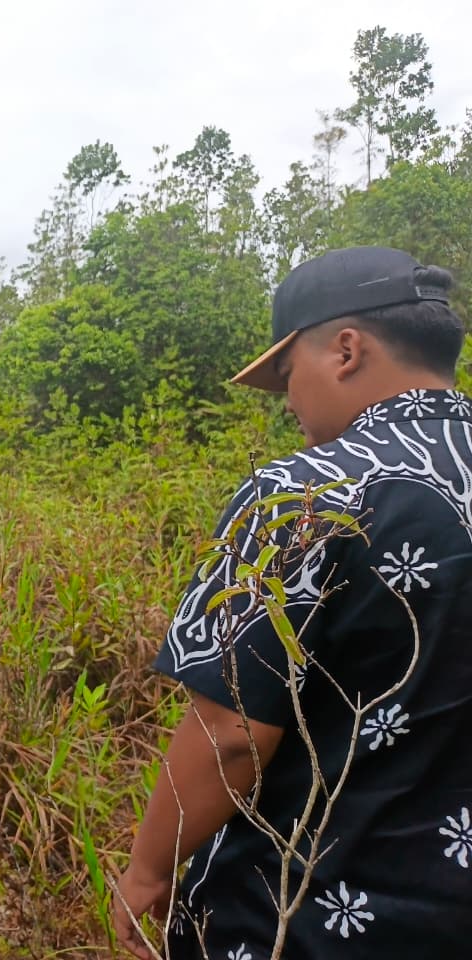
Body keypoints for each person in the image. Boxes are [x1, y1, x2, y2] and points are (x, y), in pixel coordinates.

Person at [115, 247, 472, 958]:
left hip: (312, 910)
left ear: (346, 350)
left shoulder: (308, 493)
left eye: (286, 375)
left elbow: (233, 731)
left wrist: (148, 870)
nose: (288, 403)